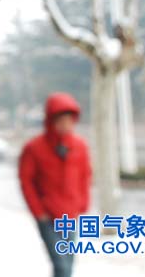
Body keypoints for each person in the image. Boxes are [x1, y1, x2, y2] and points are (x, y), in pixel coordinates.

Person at [18, 92, 92, 277]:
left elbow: (85, 176)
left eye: (69, 120)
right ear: (51, 120)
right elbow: (26, 181)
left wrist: (82, 204)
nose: (65, 125)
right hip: (48, 217)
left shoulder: (79, 146)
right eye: (60, 120)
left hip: (70, 216)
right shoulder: (34, 148)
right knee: (61, 266)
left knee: (68, 262)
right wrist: (38, 212)